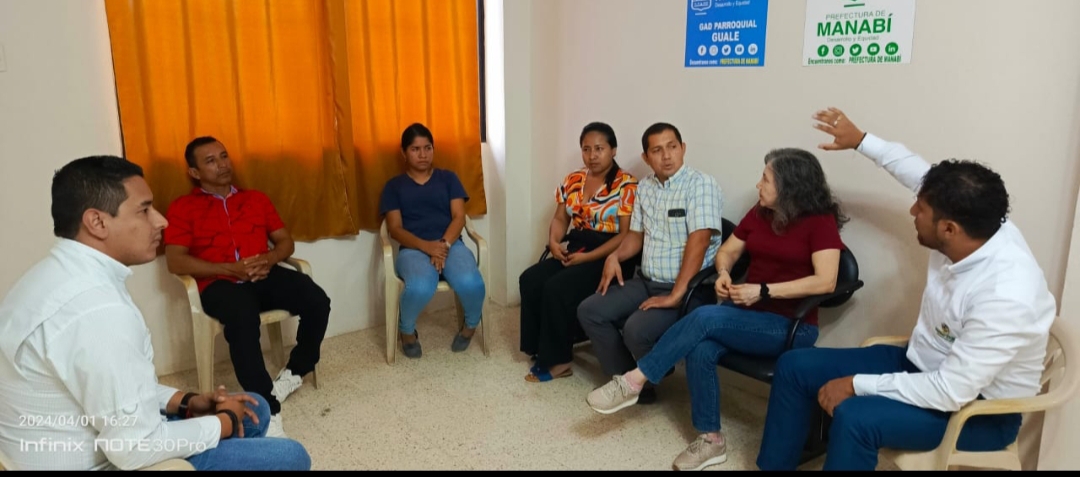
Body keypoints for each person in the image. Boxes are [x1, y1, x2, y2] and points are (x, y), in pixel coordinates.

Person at [754, 108, 1057, 471]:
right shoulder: (978, 221)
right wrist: (861, 140)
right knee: (794, 365)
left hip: (977, 411)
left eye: (921, 208)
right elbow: (912, 169)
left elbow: (949, 391)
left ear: (948, 229)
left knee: (856, 417)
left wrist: (857, 385)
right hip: (920, 363)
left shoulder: (1007, 296)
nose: (913, 209)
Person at [0, 156, 310, 470]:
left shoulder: (52, 275)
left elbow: (117, 388)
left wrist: (186, 402)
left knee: (256, 408)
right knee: (291, 457)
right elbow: (134, 448)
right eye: (144, 210)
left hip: (85, 431)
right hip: (104, 458)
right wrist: (223, 422)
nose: (161, 221)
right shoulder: (98, 310)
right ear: (97, 222)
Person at [586, 148, 847, 470]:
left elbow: (826, 281)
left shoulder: (819, 222)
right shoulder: (761, 213)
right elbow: (727, 252)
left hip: (792, 325)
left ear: (790, 185)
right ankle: (711, 440)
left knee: (705, 316)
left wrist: (763, 290)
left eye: (766, 179)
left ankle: (634, 380)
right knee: (702, 348)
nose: (758, 184)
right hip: (747, 316)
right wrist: (723, 273)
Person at [164, 137, 332, 438]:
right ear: (194, 172)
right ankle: (268, 408)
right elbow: (175, 261)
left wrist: (270, 259)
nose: (222, 164)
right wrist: (230, 269)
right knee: (242, 319)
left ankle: (295, 371)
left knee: (317, 300)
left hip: (264, 275)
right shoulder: (183, 207)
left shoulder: (255, 199)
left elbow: (285, 241)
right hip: (219, 283)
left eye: (224, 156)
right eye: (211, 161)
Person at [577, 122, 724, 404]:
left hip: (688, 290)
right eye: (657, 150)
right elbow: (635, 236)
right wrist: (614, 256)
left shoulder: (701, 184)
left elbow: (700, 241)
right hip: (646, 281)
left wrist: (676, 295)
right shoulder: (645, 187)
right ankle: (631, 383)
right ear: (646, 157)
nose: (666, 156)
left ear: (683, 149)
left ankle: (648, 374)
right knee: (590, 310)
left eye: (672, 147)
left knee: (637, 329)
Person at [519, 122, 639, 383]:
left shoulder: (626, 184)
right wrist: (553, 242)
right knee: (530, 279)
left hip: (611, 255)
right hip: (578, 246)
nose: (592, 155)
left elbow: (625, 234)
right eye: (586, 149)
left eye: (599, 149)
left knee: (557, 288)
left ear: (613, 150)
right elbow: (560, 218)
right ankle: (539, 346)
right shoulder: (573, 179)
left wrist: (587, 258)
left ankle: (559, 361)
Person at [380, 123, 486, 359]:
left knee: (472, 283)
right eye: (415, 149)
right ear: (404, 153)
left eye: (427, 148)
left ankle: (470, 327)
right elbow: (395, 229)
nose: (423, 154)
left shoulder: (448, 178)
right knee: (420, 286)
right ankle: (407, 331)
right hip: (413, 249)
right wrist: (427, 247)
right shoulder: (394, 186)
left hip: (450, 245)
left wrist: (443, 245)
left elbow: (459, 217)